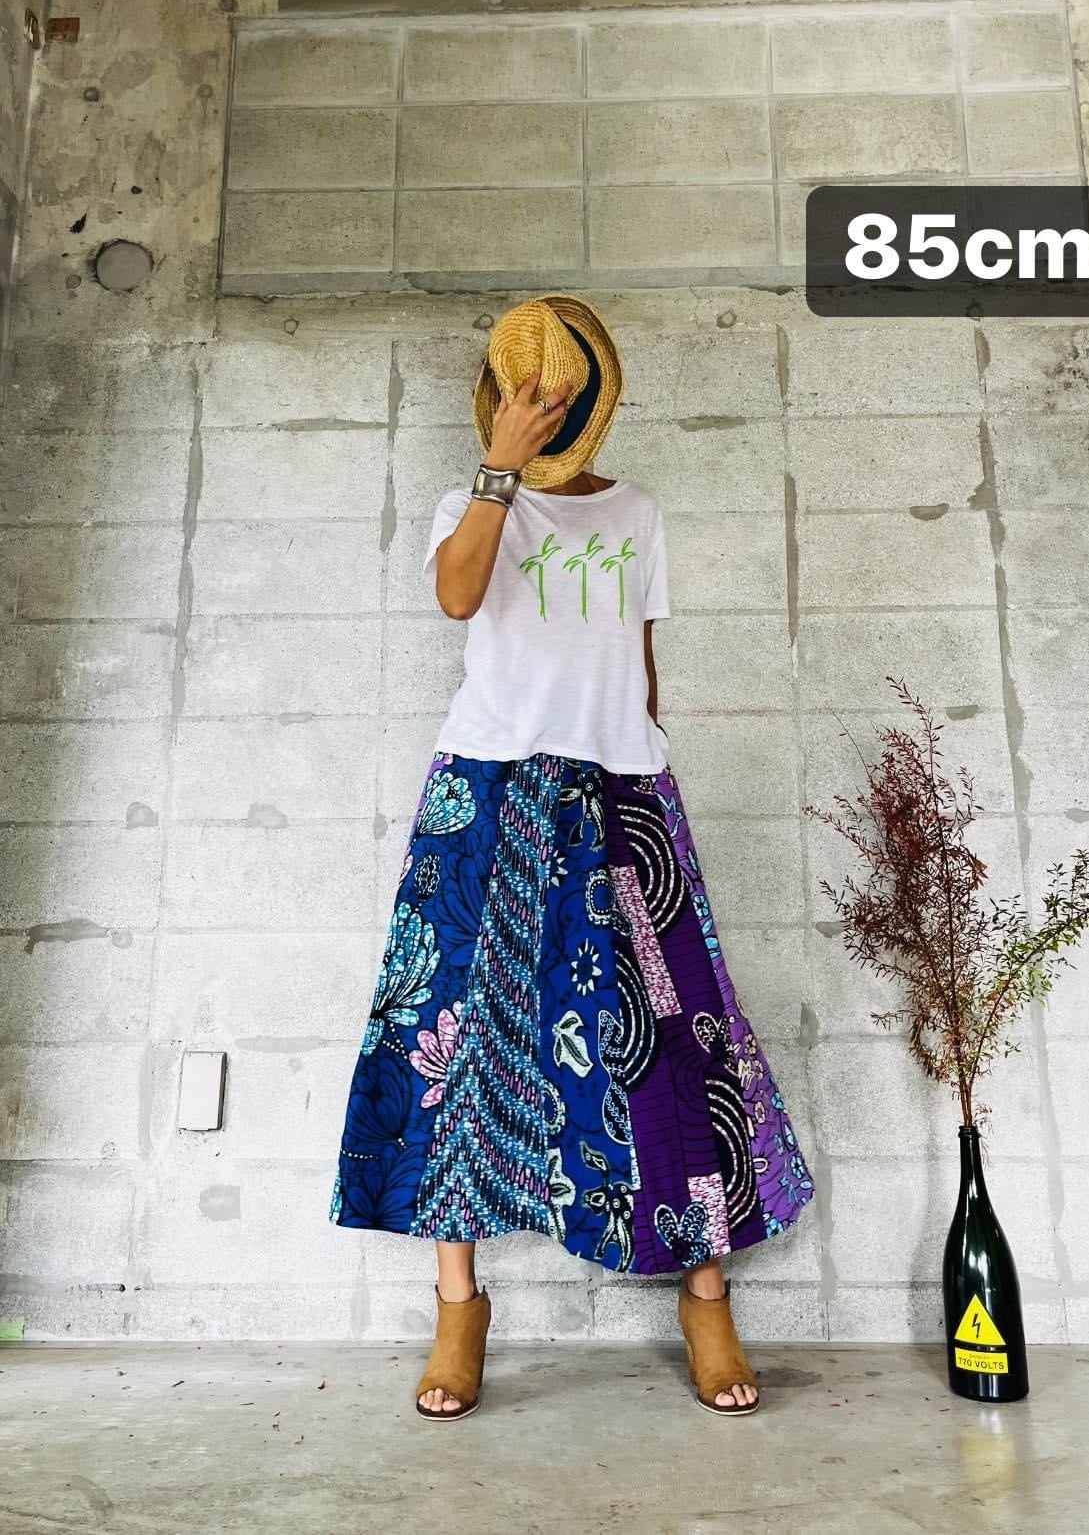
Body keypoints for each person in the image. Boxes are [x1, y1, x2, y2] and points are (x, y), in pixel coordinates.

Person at [330, 294, 814, 1420]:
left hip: (620, 787)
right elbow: (460, 596)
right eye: (519, 396)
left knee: (675, 1037)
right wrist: (499, 472)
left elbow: (639, 664)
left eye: (551, 400)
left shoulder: (636, 512)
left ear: (586, 407)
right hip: (488, 785)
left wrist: (646, 770)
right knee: (454, 1034)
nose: (534, 409)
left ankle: (705, 1298)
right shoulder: (471, 502)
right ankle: (459, 1310)